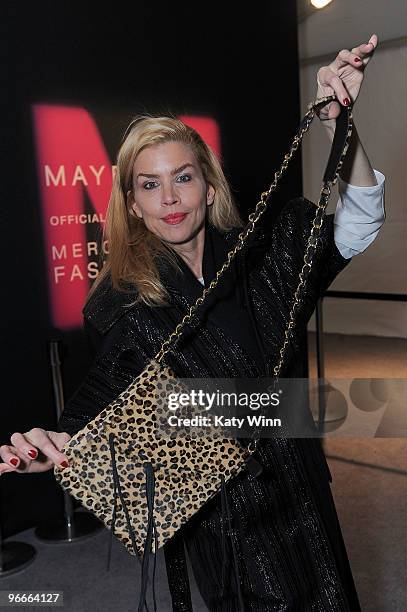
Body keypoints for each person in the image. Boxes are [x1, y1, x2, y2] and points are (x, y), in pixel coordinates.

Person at [1, 35, 385, 611]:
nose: (169, 198)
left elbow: (358, 224)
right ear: (131, 203)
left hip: (303, 493)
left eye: (183, 177)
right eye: (149, 185)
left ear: (209, 186)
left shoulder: (260, 257)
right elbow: (108, 410)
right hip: (225, 523)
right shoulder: (118, 305)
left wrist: (340, 126)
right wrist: (57, 444)